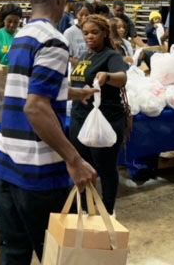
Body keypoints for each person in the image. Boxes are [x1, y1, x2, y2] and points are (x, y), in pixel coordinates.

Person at [0, 0, 98, 265]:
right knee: (60, 256)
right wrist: (75, 160)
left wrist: (76, 92)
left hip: (5, 163)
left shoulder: (22, 35)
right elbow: (35, 107)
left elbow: (33, 88)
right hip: (37, 172)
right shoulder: (54, 41)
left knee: (14, 253)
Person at [70, 15, 128, 215]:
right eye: (86, 33)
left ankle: (108, 209)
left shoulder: (111, 56)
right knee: (84, 166)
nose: (89, 37)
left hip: (105, 119)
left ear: (104, 33)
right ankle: (86, 207)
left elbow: (122, 78)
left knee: (106, 167)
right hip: (80, 118)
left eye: (94, 32)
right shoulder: (86, 57)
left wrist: (107, 77)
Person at [64, 1, 94, 67]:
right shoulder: (69, 33)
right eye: (81, 15)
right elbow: (66, 56)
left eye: (87, 15)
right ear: (76, 15)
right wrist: (82, 64)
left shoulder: (96, 31)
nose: (84, 18)